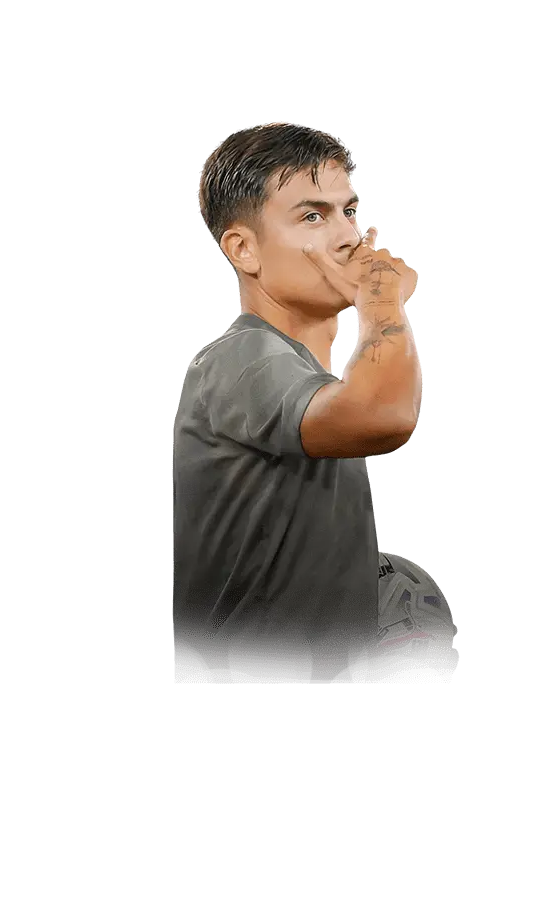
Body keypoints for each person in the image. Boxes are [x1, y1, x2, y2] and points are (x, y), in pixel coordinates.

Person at [174, 122, 421, 684]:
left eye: (348, 212)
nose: (349, 237)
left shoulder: (302, 375)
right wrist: (382, 301)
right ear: (244, 249)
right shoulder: (246, 357)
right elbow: (384, 417)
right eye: (313, 216)